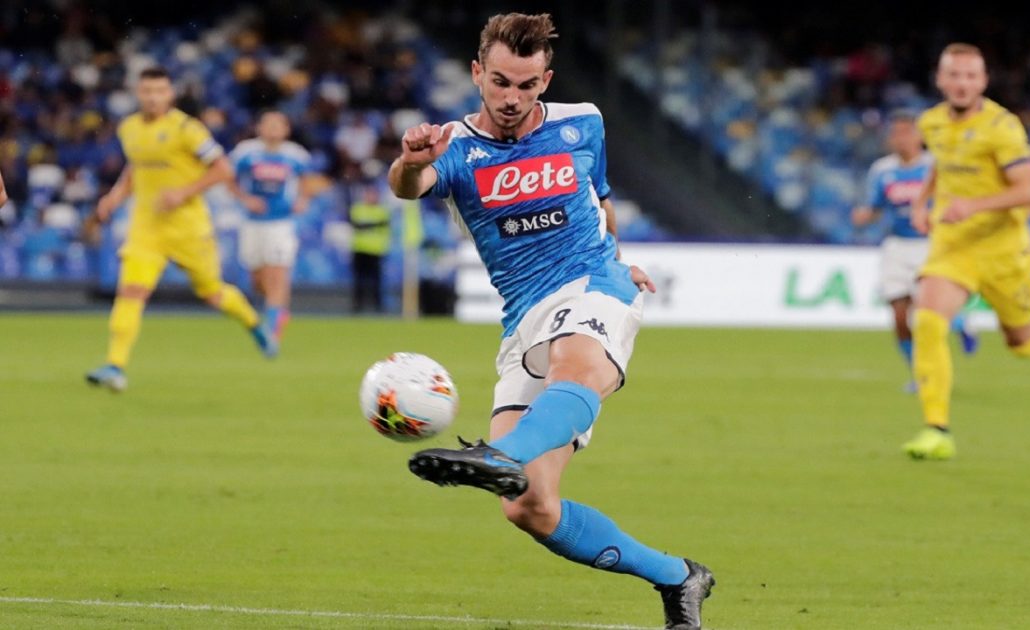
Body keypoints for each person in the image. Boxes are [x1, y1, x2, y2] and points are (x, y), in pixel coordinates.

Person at [387, 13, 714, 630]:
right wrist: (409, 160)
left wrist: (617, 261)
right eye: (501, 82)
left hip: (592, 285)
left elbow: (601, 199)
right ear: (477, 73)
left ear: (546, 81)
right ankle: (680, 578)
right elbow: (408, 186)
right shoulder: (453, 146)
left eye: (527, 85)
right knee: (530, 507)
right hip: (523, 317)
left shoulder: (583, 121)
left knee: (578, 364)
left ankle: (496, 455)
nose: (512, 98)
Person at [903, 44, 1030, 460]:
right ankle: (936, 429)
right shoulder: (932, 122)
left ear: (983, 81)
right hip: (953, 247)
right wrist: (922, 203)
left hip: (1003, 252)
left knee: (1023, 342)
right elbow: (942, 163)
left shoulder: (1002, 128)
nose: (961, 84)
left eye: (970, 76)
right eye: (954, 75)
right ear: (940, 80)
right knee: (928, 322)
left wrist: (973, 206)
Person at [86, 66, 276, 393]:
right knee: (131, 292)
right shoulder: (129, 128)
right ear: (138, 93)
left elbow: (223, 169)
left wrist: (183, 193)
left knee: (212, 294)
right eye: (147, 91)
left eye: (159, 91)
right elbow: (135, 167)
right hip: (146, 227)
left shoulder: (187, 129)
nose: (153, 98)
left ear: (170, 94)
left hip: (189, 228)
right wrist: (115, 196)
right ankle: (115, 365)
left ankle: (253, 323)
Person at [851, 111, 978, 393]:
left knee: (926, 309)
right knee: (899, 316)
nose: (900, 139)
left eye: (906, 132)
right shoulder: (882, 170)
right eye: (895, 133)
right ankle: (920, 376)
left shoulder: (936, 166)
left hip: (930, 244)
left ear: (919, 136)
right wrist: (865, 215)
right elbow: (875, 206)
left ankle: (959, 323)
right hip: (896, 246)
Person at [227, 110, 313, 341]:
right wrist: (245, 199)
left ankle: (272, 325)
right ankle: (279, 309)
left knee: (277, 272)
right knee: (258, 278)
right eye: (269, 124)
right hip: (252, 223)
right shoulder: (245, 152)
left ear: (286, 129)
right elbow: (227, 177)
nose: (273, 129)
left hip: (281, 222)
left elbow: (307, 180)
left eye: (278, 124)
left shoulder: (296, 155)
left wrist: (303, 199)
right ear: (259, 128)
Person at [348, 182, 391, 313]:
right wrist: (374, 225)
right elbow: (357, 224)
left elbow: (381, 225)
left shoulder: (382, 210)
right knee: (359, 280)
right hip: (360, 249)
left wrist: (367, 225)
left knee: (376, 281)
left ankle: (377, 306)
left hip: (375, 250)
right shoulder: (358, 208)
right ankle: (358, 305)